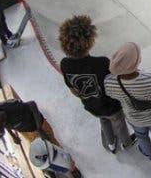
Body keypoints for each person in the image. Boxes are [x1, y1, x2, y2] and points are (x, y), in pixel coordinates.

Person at [58, 15, 137, 153]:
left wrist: (88, 96)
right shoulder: (102, 63)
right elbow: (115, 84)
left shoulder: (64, 64)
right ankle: (126, 143)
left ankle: (111, 144)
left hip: (91, 105)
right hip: (111, 106)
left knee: (104, 121)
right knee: (119, 123)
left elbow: (72, 89)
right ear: (90, 42)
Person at [0, 100, 83, 178]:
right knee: (41, 152)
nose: (0, 131)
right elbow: (6, 125)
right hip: (25, 131)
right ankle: (50, 168)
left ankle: (72, 168)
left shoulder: (13, 109)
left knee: (55, 147)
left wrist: (40, 129)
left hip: (39, 125)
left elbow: (32, 105)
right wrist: (13, 135)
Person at [104, 42, 151, 161]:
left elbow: (111, 95)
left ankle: (149, 154)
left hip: (133, 118)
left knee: (141, 136)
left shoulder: (109, 82)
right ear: (137, 62)